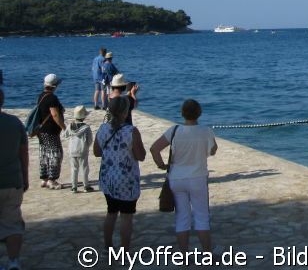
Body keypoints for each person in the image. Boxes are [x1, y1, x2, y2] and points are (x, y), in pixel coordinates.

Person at [150, 99, 218, 253]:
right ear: (199, 113)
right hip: (198, 178)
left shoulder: (174, 131)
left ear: (182, 113)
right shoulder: (205, 131)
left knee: (182, 217)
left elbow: (154, 149)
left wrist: (161, 165)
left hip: (176, 178)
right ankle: (207, 253)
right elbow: (213, 150)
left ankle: (184, 256)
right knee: (202, 216)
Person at [93, 97, 146, 250]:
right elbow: (140, 156)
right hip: (126, 179)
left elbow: (97, 152)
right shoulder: (131, 131)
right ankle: (124, 250)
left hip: (108, 178)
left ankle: (108, 246)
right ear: (125, 112)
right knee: (126, 217)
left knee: (111, 213)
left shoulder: (103, 129)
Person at [0, 87, 28, 270]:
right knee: (12, 224)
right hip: (12, 180)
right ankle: (13, 261)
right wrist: (25, 178)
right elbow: (23, 154)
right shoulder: (15, 123)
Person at [36, 74, 66, 190]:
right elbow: (54, 114)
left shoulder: (41, 96)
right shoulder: (52, 98)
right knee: (55, 154)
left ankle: (44, 178)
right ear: (55, 85)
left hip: (41, 130)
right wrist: (64, 127)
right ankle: (52, 180)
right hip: (51, 130)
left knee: (44, 153)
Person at [65, 105, 94, 193]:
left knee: (74, 168)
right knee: (84, 168)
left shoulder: (70, 126)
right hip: (82, 150)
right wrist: (87, 146)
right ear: (84, 117)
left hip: (72, 150)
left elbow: (65, 135)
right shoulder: (86, 128)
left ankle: (74, 187)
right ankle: (86, 186)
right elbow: (90, 140)